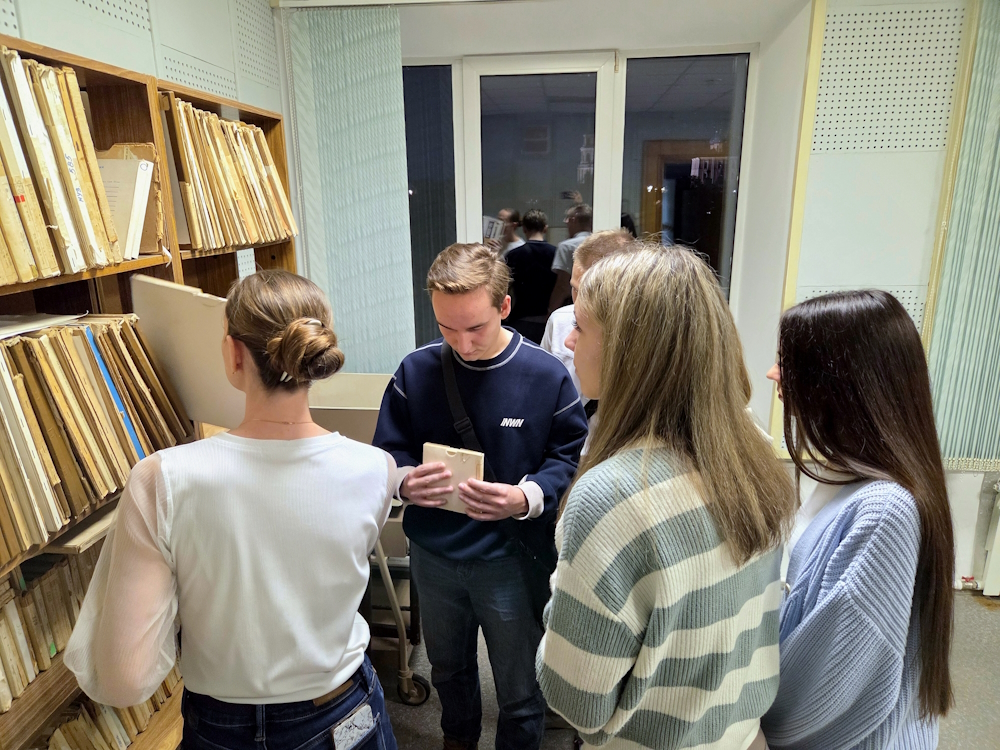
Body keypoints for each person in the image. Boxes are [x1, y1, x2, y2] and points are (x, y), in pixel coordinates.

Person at [64, 270, 398, 750]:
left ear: (234, 353)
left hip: (220, 727)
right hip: (344, 711)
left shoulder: (162, 478)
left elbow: (125, 680)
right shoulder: (376, 469)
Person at [537, 246, 795, 750]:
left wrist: (561, 603)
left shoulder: (611, 496)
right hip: (742, 735)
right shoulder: (753, 448)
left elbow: (576, 701)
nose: (568, 341)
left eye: (581, 328)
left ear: (629, 352)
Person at [374, 243, 587, 750]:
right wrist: (403, 482)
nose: (462, 344)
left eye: (475, 328)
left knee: (519, 686)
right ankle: (457, 739)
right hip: (434, 555)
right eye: (447, 328)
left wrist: (526, 497)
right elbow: (387, 451)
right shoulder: (415, 370)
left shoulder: (546, 375)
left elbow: (567, 457)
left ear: (504, 306)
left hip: (510, 558)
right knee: (448, 671)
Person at [761, 290, 954, 749]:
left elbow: (825, 684)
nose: (772, 374)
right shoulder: (843, 477)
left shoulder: (884, 509)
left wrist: (746, 722)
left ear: (836, 382)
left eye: (787, 364)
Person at [540, 230, 634, 436]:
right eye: (576, 289)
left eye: (591, 293)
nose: (580, 302)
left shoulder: (640, 339)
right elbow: (543, 387)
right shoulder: (559, 321)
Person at [505, 208, 557, 344]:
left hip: (521, 317)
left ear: (524, 229)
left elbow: (506, 287)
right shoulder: (555, 253)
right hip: (548, 317)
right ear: (545, 228)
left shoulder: (513, 255)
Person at [548, 203, 593, 312]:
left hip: (572, 306)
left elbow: (563, 286)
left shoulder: (566, 247)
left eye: (567, 220)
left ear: (573, 220)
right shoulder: (601, 244)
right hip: (597, 305)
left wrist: (551, 311)